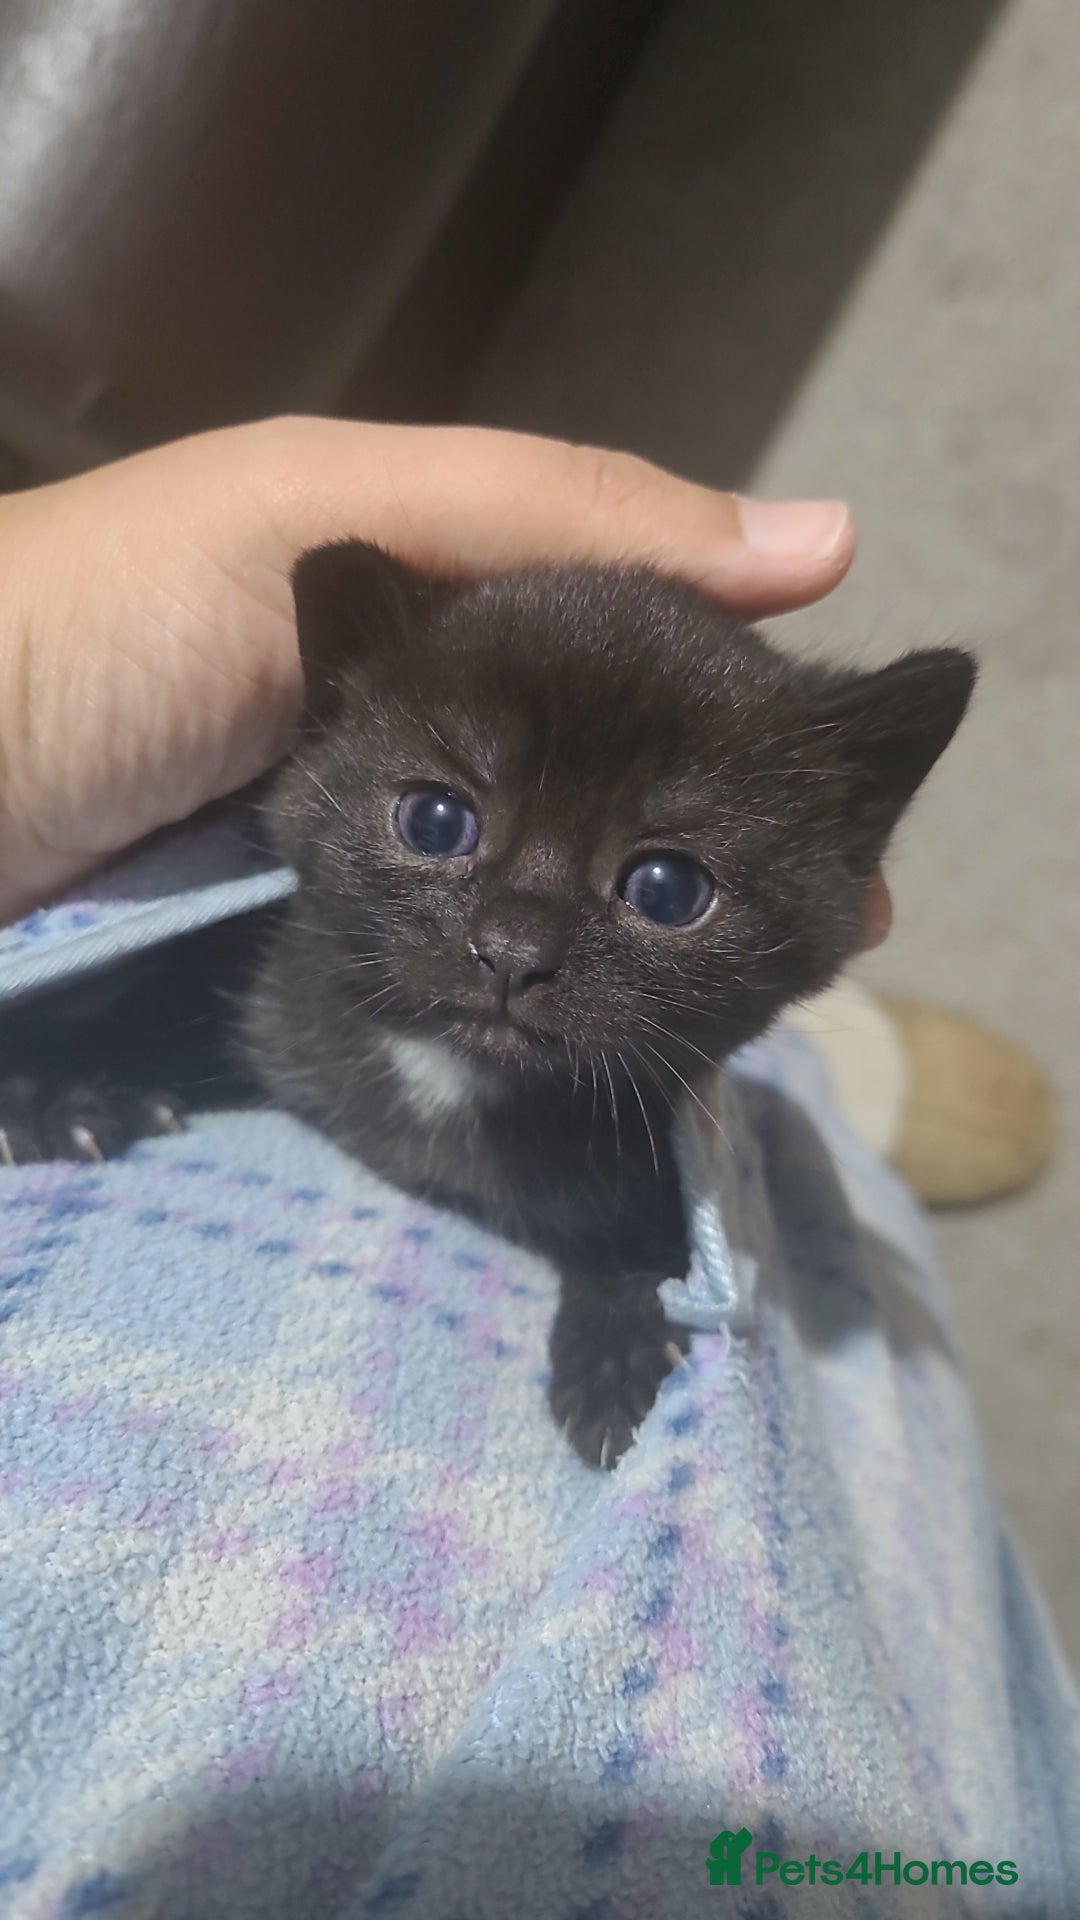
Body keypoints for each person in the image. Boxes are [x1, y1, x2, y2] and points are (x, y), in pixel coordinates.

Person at [0, 420, 1072, 1920]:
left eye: (663, 884)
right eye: (441, 823)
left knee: (744, 1134)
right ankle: (848, 1094)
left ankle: (837, 1076)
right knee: (806, 1206)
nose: (514, 937)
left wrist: (621, 1276)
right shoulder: (282, 990)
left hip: (602, 1102)